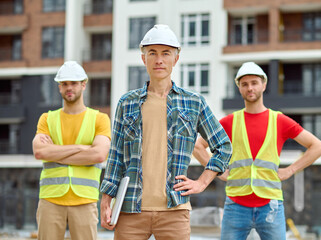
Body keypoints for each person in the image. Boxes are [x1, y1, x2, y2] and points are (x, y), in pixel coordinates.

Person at [99, 24, 232, 240]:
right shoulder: (127, 102)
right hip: (130, 209)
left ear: (175, 59)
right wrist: (106, 199)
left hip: (175, 211)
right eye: (152, 53)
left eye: (165, 53)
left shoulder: (193, 102)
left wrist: (202, 182)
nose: (159, 60)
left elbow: (223, 146)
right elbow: (115, 156)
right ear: (144, 58)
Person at [193, 62, 321, 240]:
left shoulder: (279, 120)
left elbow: (318, 147)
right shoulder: (229, 122)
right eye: (245, 84)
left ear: (264, 85)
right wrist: (217, 171)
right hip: (236, 206)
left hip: (270, 206)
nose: (250, 88)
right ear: (239, 88)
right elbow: (197, 146)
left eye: (254, 83)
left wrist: (290, 170)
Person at [32, 61, 111, 240]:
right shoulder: (47, 119)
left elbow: (98, 155)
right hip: (50, 199)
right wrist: (81, 148)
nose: (69, 88)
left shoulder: (99, 119)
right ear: (59, 87)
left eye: (74, 83)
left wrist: (54, 151)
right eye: (65, 84)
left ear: (83, 85)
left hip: (85, 200)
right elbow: (39, 152)